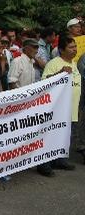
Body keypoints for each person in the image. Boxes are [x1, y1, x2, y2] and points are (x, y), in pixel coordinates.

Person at [37, 35, 80, 177]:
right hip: (58, 110)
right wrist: (59, 73)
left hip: (71, 109)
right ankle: (44, 164)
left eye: (75, 46)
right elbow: (44, 84)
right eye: (71, 47)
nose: (75, 49)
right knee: (51, 136)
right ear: (61, 49)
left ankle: (59, 160)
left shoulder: (74, 63)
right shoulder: (54, 63)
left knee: (66, 136)